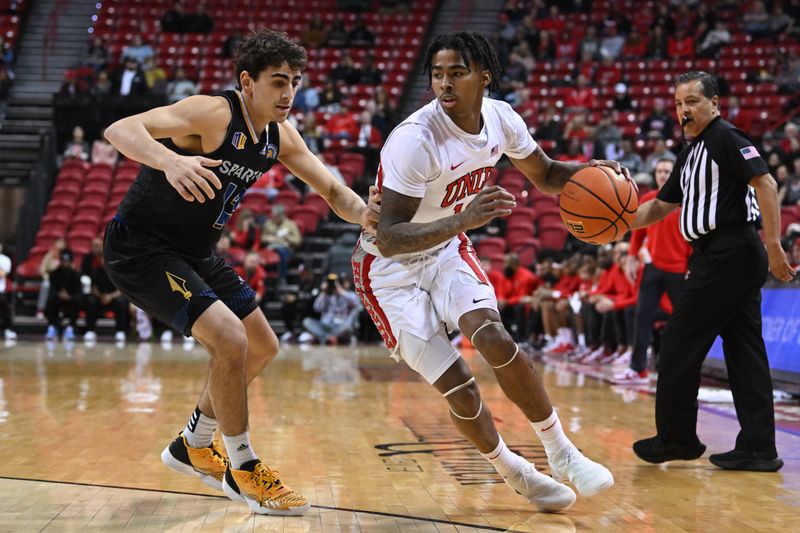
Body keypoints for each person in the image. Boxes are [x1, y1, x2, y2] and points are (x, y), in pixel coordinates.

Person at [102, 30, 378, 515]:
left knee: (263, 345)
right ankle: (243, 467)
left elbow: (335, 194)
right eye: (277, 81)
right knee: (230, 340)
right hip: (141, 248)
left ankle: (193, 444)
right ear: (247, 82)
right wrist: (171, 161)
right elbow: (121, 129)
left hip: (195, 251)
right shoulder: (212, 113)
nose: (288, 93)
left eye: (294, 81)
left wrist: (372, 216)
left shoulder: (279, 135)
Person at [352, 31, 616, 512]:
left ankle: (562, 452)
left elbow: (547, 174)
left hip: (446, 246)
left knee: (492, 336)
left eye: (457, 72)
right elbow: (389, 235)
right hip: (388, 268)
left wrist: (592, 172)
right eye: (437, 74)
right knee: (458, 384)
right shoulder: (415, 139)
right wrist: (465, 219)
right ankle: (513, 470)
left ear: (485, 76)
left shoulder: (501, 118)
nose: (445, 83)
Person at [630, 71, 795, 472]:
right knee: (745, 353)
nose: (683, 111)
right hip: (719, 257)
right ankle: (758, 447)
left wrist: (774, 246)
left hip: (730, 253)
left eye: (692, 102)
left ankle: (678, 438)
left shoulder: (725, 137)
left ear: (715, 103)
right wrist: (614, 226)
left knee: (677, 342)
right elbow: (657, 208)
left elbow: (767, 184)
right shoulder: (690, 152)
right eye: (678, 104)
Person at [614, 158, 691, 385]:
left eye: (668, 171)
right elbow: (637, 235)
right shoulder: (648, 199)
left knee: (683, 322)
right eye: (660, 171)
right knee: (641, 317)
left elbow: (694, 238)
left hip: (679, 270)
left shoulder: (685, 201)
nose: (664, 175)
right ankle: (638, 370)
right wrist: (630, 259)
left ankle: (683, 369)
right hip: (653, 267)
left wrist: (692, 268)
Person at [84, 241, 129, 345]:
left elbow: (121, 289)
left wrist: (109, 296)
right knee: (90, 301)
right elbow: (93, 288)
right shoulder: (95, 271)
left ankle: (120, 331)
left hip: (113, 297)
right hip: (100, 297)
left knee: (121, 302)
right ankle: (90, 330)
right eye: (103, 258)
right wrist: (101, 296)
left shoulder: (117, 272)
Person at [299, 272, 361, 345]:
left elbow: (358, 305)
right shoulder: (327, 295)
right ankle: (328, 338)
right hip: (325, 325)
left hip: (340, 326)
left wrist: (340, 291)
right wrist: (324, 292)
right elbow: (317, 308)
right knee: (307, 321)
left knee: (348, 327)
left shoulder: (350, 294)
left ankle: (324, 338)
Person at [44, 248, 83, 342]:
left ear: (71, 261)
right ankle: (52, 326)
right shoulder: (54, 274)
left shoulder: (76, 275)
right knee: (51, 299)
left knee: (78, 301)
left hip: (71, 298)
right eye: (63, 261)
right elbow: (51, 290)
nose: (65, 263)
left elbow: (79, 293)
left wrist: (69, 297)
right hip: (57, 298)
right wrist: (59, 295)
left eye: (67, 261)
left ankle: (70, 328)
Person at [0, 243, 15, 341]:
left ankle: (7, 329)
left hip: (1, 291)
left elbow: (2, 273)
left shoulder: (5, 259)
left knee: (5, 306)